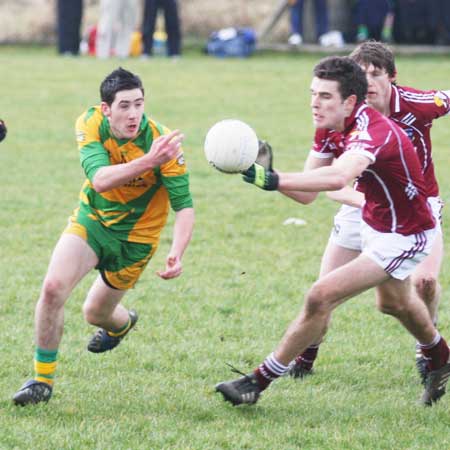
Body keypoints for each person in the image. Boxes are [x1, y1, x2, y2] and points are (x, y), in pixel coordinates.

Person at [215, 56, 450, 407]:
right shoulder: (329, 126)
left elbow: (339, 177)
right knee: (394, 304)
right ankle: (441, 358)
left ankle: (256, 382)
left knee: (320, 296)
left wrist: (273, 179)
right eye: (313, 93)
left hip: (406, 234)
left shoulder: (374, 131)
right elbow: (309, 194)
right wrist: (265, 174)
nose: (315, 102)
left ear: (350, 102)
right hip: (375, 221)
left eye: (325, 96)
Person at [13, 67, 195, 406]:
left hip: (136, 241)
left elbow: (184, 206)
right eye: (124, 105)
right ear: (105, 108)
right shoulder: (90, 123)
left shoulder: (163, 143)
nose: (133, 114)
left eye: (139, 104)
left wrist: (178, 252)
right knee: (53, 289)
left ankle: (122, 324)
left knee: (95, 314)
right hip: (92, 220)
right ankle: (41, 380)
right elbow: (99, 179)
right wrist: (148, 162)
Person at [289, 41, 450, 384]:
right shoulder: (340, 115)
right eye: (361, 75)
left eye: (376, 74)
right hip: (360, 205)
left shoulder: (416, 105)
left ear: (392, 77)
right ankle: (305, 356)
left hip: (416, 208)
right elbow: (326, 184)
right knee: (324, 290)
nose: (369, 82)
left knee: (424, 281)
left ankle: (428, 350)